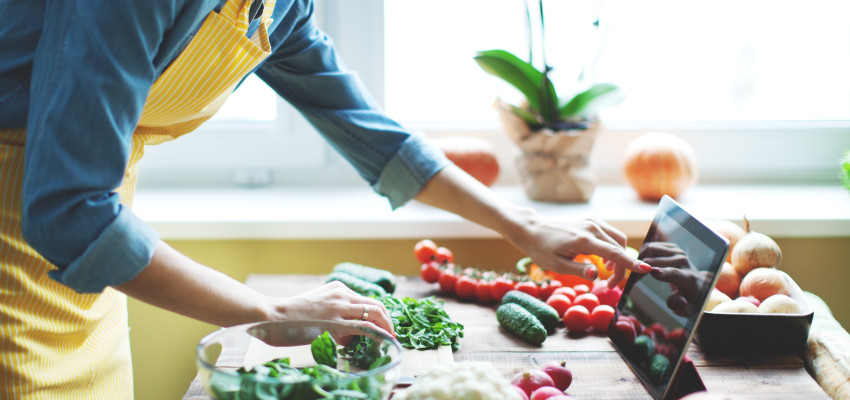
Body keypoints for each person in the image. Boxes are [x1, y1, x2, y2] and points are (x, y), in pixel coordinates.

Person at [0, 0, 650, 398]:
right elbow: (69, 208)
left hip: (91, 267)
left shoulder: (278, 5)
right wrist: (271, 308)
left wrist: (524, 224)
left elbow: (369, 132)